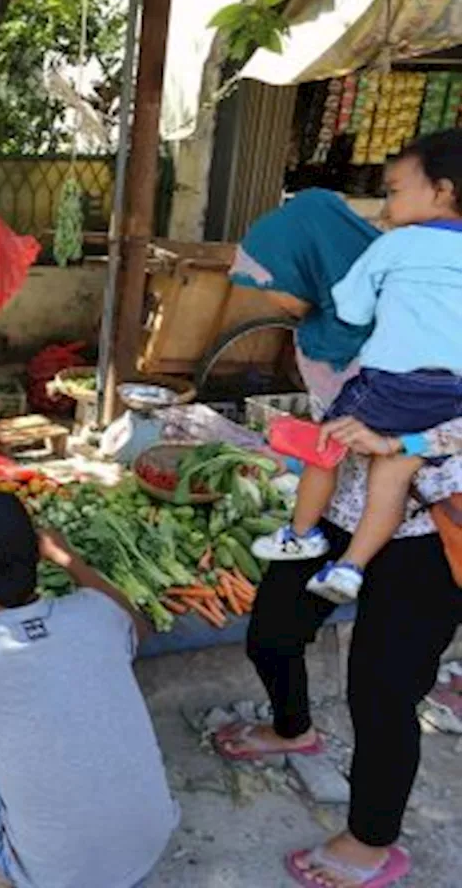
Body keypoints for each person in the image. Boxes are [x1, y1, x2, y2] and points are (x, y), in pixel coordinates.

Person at [212, 182, 463, 887]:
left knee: (382, 693)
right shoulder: (323, 328)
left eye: (271, 280)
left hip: (423, 528)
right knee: (273, 629)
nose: (267, 295)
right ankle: (293, 727)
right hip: (338, 511)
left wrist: (400, 439)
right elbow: (334, 420)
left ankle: (371, 842)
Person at [0, 489, 177, 888]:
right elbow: (136, 626)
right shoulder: (95, 615)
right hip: (150, 842)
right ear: (40, 553)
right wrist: (69, 559)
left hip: (58, 876)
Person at [252, 130, 463, 604]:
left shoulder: (398, 246)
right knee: (391, 473)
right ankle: (350, 567)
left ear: (442, 191)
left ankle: (303, 533)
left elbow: (351, 309)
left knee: (327, 443)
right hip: (453, 395)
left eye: (393, 190)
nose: (387, 203)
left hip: (392, 384)